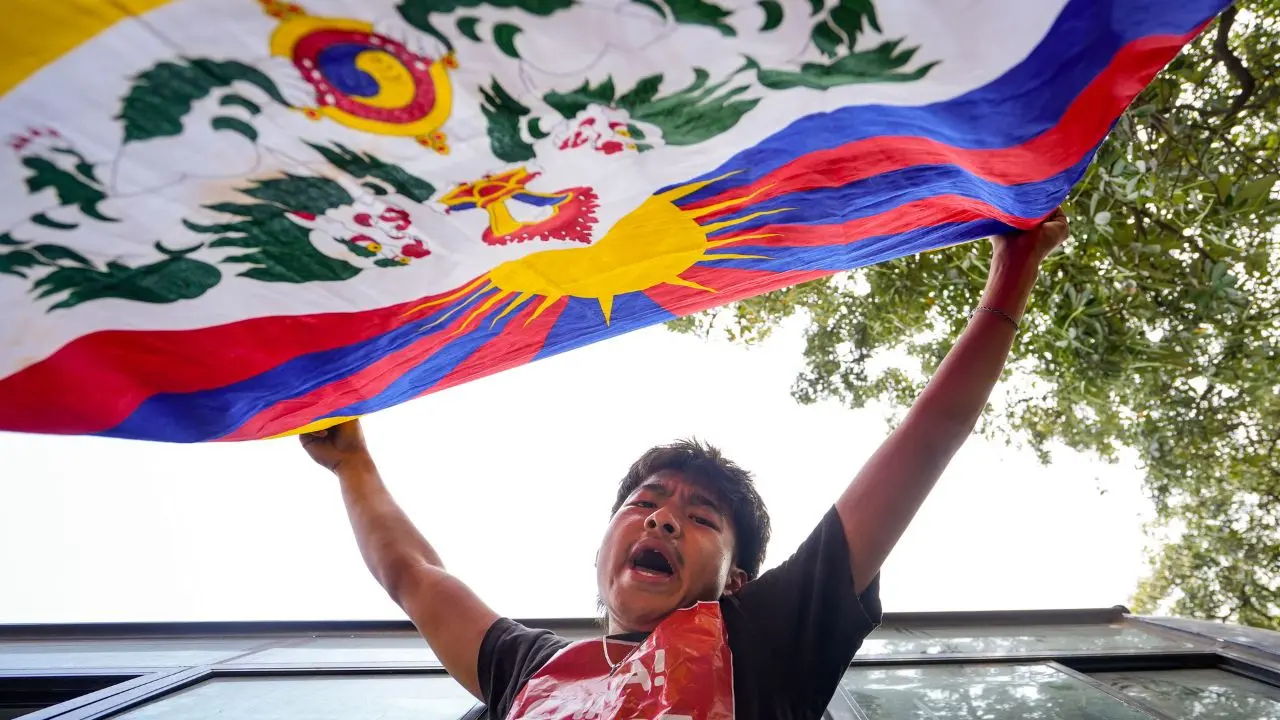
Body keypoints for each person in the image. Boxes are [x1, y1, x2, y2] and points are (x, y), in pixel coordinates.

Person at [301, 208, 1071, 720]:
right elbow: (416, 576)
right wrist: (352, 465)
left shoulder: (765, 636)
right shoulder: (524, 665)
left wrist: (1013, 276)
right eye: (644, 504)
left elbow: (924, 444)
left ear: (735, 579)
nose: (665, 516)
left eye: (701, 518)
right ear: (603, 545)